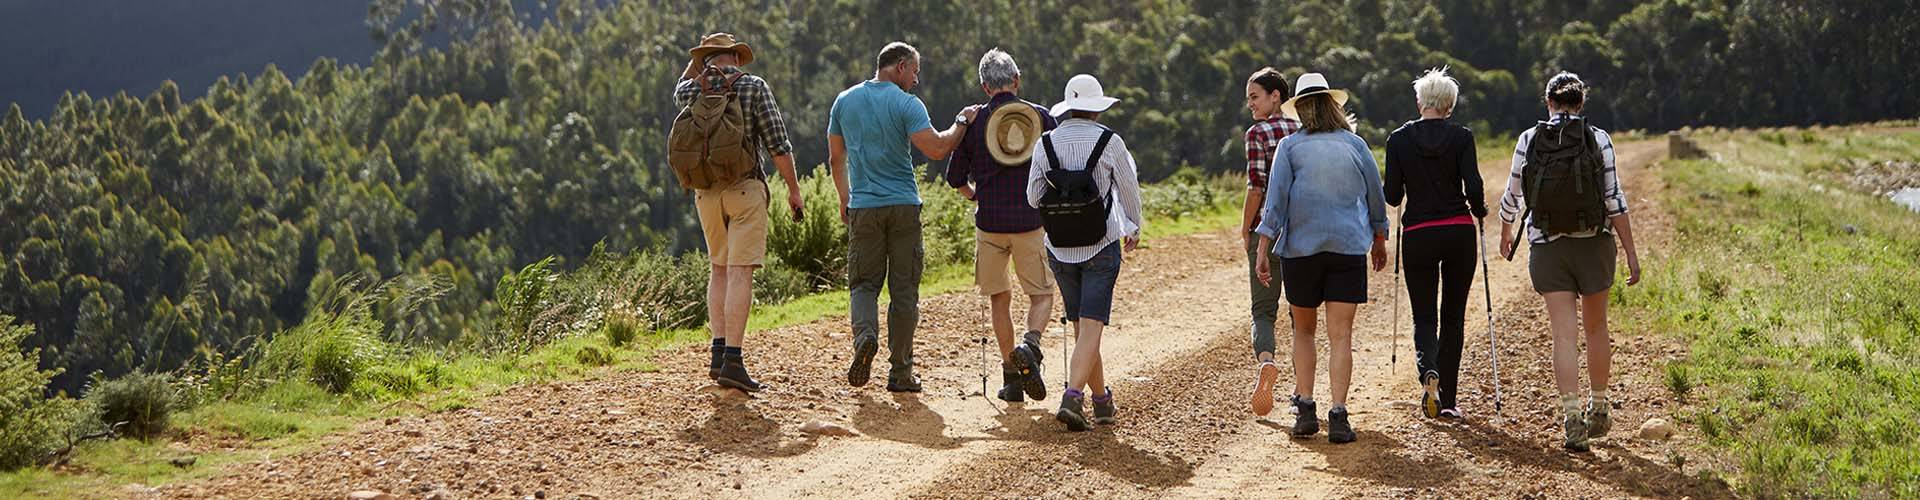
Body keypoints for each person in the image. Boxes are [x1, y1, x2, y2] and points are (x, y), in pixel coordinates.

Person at [1497, 71, 1642, 452]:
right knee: (1596, 329)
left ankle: (1571, 416)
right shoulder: (1598, 138)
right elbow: (1614, 199)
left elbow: (1512, 196)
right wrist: (1630, 252)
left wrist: (1505, 231)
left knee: (1563, 334)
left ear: (1549, 102)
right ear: (1580, 104)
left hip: (1548, 247)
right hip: (1593, 244)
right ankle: (1600, 407)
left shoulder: (1530, 139)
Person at [829, 42, 977, 392]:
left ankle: (865, 338)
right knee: (904, 289)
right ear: (899, 66)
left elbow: (836, 159)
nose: (916, 79)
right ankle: (900, 373)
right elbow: (938, 147)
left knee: (864, 285)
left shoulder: (843, 101)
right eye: (914, 71)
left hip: (863, 206)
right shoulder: (906, 104)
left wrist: (844, 198)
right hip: (903, 207)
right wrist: (962, 122)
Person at [1253, 73, 1389, 444]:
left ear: (1299, 109)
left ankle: (1307, 410)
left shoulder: (1290, 147)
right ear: (1332, 105)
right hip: (1347, 247)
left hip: (1300, 251)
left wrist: (1263, 248)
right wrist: (1379, 238)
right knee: (1341, 335)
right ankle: (1340, 415)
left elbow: (1275, 203)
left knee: (1304, 331)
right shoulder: (1356, 145)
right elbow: (1376, 197)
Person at [672, 33, 805, 392]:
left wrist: (699, 58)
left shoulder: (690, 91)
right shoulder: (753, 86)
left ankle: (717, 355)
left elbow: (679, 85)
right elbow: (778, 143)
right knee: (740, 272)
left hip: (706, 193)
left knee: (718, 269)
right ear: (734, 55)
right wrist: (793, 190)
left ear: (705, 59)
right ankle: (734, 359)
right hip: (744, 189)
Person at [1026, 74, 1144, 432]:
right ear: (1096, 108)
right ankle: (1073, 396)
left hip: (1059, 248)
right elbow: (1128, 188)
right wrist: (1133, 225)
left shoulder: (1045, 143)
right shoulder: (1110, 141)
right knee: (1092, 326)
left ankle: (1102, 401)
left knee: (1082, 327)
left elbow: (1033, 198)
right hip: (1101, 244)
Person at [945, 48, 1057, 403]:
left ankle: (1011, 379)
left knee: (1000, 299)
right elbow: (1057, 167)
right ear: (1017, 80)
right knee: (1041, 294)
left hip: (990, 223)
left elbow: (955, 178)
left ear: (983, 86)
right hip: (1029, 220)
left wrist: (975, 196)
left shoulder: (974, 122)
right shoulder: (1040, 118)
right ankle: (1031, 346)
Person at [1384, 67, 1487, 419]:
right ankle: (1449, 400)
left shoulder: (1398, 139)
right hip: (1458, 231)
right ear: (1450, 105)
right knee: (1453, 317)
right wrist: (1480, 209)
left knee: (1424, 315)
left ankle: (1429, 371)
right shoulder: (1462, 137)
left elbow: (1393, 196)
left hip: (1418, 234)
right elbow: (1472, 185)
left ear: (1419, 101)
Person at [1241, 67, 1304, 417]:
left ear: (1275, 96)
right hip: (1301, 231)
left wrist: (1245, 226)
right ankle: (1300, 388)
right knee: (1300, 314)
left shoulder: (1257, 133)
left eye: (1255, 96)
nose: (1250, 105)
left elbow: (1256, 187)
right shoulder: (1301, 131)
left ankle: (1266, 361)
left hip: (1267, 229)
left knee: (1263, 310)